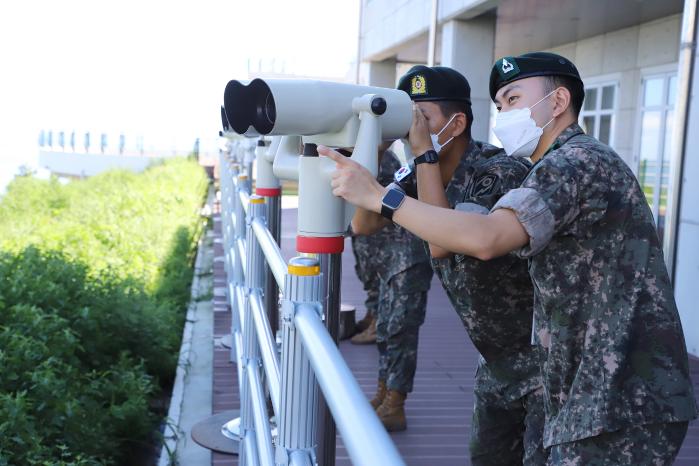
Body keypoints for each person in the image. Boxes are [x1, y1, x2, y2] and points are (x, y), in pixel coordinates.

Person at [322, 52, 698, 465]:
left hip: (617, 393)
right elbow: (364, 225)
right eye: (499, 105)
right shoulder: (554, 165)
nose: (504, 113)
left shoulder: (575, 163)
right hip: (573, 382)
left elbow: (485, 238)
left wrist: (381, 195)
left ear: (556, 103)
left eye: (514, 99)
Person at [353, 65, 546, 464]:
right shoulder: (415, 172)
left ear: (456, 124)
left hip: (542, 360)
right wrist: (374, 149)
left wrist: (424, 151)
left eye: (423, 118)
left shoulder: (498, 170)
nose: (412, 129)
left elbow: (440, 245)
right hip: (495, 358)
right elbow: (364, 224)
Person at [355, 145, 433, 432]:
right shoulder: (409, 166)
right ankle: (384, 392)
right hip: (392, 257)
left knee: (401, 329)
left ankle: (395, 404)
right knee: (387, 326)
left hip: (410, 256)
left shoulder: (422, 162)